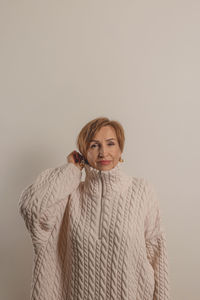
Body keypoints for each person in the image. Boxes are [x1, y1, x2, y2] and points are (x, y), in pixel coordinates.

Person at [18, 117, 171, 300]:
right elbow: (31, 210)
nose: (103, 152)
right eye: (94, 145)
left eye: (110, 144)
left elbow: (157, 254)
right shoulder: (70, 195)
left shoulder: (142, 191)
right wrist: (71, 170)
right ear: (83, 153)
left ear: (120, 149)